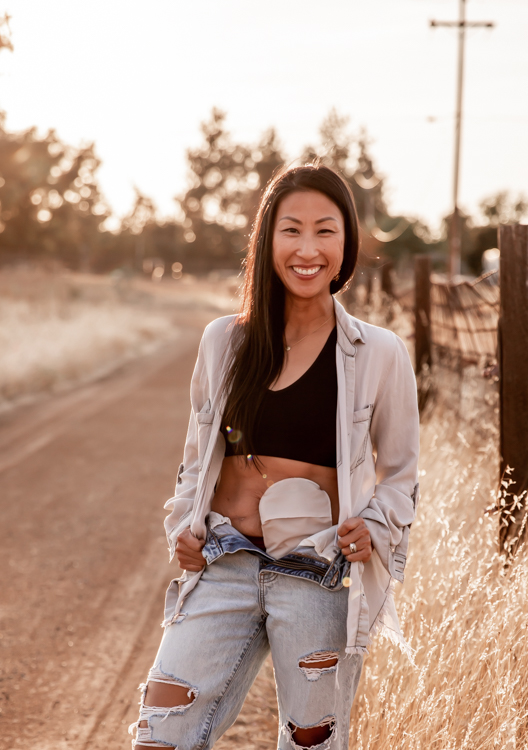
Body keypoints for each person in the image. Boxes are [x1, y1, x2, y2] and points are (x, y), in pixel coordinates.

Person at [129, 164, 419, 750]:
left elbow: (401, 471)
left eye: (325, 231)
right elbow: (196, 459)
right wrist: (182, 528)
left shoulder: (379, 352)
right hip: (223, 563)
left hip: (317, 571)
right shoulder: (225, 341)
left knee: (311, 742)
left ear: (347, 244)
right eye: (291, 230)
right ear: (268, 241)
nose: (307, 249)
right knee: (161, 730)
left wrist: (376, 525)